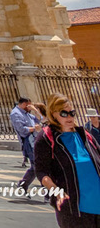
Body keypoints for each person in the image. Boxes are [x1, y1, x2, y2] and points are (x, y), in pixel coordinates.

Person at [35, 93, 100, 227]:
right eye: (64, 113)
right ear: (53, 114)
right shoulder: (47, 138)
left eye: (72, 113)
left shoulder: (84, 134)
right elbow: (41, 172)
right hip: (74, 209)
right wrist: (55, 190)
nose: (69, 117)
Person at [11, 96, 42, 191]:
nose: (30, 107)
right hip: (28, 142)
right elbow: (22, 130)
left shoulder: (27, 114)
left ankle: (23, 184)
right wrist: (35, 128)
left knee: (36, 166)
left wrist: (35, 111)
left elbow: (40, 119)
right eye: (29, 105)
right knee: (38, 165)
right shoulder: (16, 114)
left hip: (35, 140)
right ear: (24, 104)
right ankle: (48, 192)